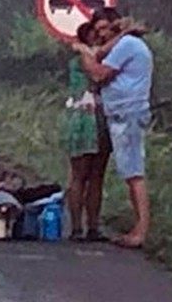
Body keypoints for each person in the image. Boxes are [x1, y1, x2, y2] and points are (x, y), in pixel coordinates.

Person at [75, 13, 153, 249]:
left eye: (106, 29)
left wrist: (83, 52)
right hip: (122, 112)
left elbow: (98, 72)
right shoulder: (124, 42)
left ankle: (141, 230)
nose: (101, 34)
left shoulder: (127, 44)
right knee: (130, 172)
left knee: (134, 173)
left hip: (127, 113)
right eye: (98, 30)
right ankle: (138, 227)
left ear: (116, 26)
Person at [63, 22, 112, 243]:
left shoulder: (92, 57)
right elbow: (97, 77)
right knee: (82, 175)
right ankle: (77, 227)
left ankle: (90, 227)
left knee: (95, 176)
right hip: (85, 117)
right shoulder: (85, 59)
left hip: (96, 116)